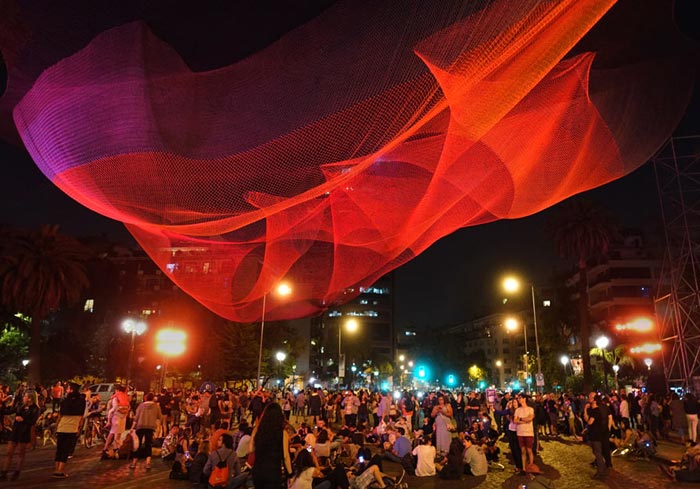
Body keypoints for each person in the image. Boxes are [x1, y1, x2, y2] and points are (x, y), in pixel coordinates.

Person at [250, 402, 293, 489]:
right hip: (273, 472)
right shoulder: (282, 433)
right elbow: (285, 456)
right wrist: (290, 474)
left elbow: (251, 449)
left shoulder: (257, 430)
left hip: (258, 471)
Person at [0, 391, 40, 481]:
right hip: (15, 431)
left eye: (25, 396)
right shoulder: (20, 405)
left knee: (21, 453)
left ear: (30, 398)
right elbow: (9, 411)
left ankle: (17, 472)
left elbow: (33, 421)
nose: (23, 397)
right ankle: (4, 472)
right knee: (9, 452)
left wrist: (23, 419)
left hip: (24, 432)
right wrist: (2, 408)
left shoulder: (35, 409)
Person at [52, 383, 84, 479]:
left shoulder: (65, 401)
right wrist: (79, 428)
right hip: (72, 428)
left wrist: (56, 427)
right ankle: (60, 470)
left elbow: (60, 415)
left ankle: (56, 469)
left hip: (62, 427)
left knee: (59, 449)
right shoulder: (82, 401)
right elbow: (81, 417)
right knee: (66, 450)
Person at [129, 392, 162, 470]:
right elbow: (159, 417)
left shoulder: (141, 406)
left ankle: (134, 463)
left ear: (145, 398)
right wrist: (157, 429)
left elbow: (136, 418)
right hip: (150, 427)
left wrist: (132, 428)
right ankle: (148, 463)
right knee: (148, 445)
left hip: (140, 426)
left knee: (137, 445)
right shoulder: (156, 406)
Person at [514, 394, 535, 475]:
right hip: (520, 432)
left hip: (529, 432)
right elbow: (515, 420)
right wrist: (524, 420)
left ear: (524, 399)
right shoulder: (517, 410)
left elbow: (530, 419)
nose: (519, 400)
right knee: (523, 451)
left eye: (520, 398)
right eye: (518, 398)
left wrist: (520, 418)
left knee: (529, 450)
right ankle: (524, 468)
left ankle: (531, 467)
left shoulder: (530, 409)